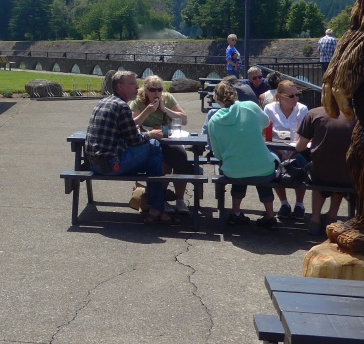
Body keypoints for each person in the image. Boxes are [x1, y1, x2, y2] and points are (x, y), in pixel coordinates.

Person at [84, 70, 174, 225]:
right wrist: (151, 134)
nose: (137, 88)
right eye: (132, 84)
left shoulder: (104, 102)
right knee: (154, 146)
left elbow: (124, 132)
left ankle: (155, 209)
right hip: (112, 165)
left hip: (95, 164)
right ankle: (156, 208)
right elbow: (134, 140)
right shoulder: (121, 106)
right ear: (120, 87)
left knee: (153, 160)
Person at [207, 80, 279, 229]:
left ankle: (236, 212)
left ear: (216, 99)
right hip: (263, 169)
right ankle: (270, 215)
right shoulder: (250, 106)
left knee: (238, 169)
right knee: (265, 166)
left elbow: (218, 154)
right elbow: (266, 123)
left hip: (234, 171)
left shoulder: (213, 121)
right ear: (235, 94)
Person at [129, 75, 193, 215]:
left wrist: (164, 109)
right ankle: (161, 199)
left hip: (167, 137)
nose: (156, 93)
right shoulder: (138, 101)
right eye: (152, 90)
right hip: (148, 139)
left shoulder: (167, 98)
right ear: (145, 90)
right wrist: (148, 111)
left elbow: (184, 119)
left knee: (181, 157)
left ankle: (180, 199)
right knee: (163, 161)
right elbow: (132, 124)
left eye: (159, 89)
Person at [294, 107, 355, 236]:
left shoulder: (314, 114)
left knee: (316, 168)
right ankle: (332, 216)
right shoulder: (354, 115)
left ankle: (315, 219)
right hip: (346, 175)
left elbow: (300, 147)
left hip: (320, 173)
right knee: (339, 168)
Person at [264, 80, 309, 220]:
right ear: (279, 96)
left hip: (297, 148)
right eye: (291, 96)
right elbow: (266, 135)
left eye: (297, 95)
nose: (295, 99)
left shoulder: (303, 109)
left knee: (300, 166)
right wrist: (282, 153)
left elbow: (306, 136)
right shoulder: (269, 109)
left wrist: (292, 153)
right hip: (277, 148)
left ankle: (299, 204)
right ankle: (284, 203)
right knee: (273, 165)